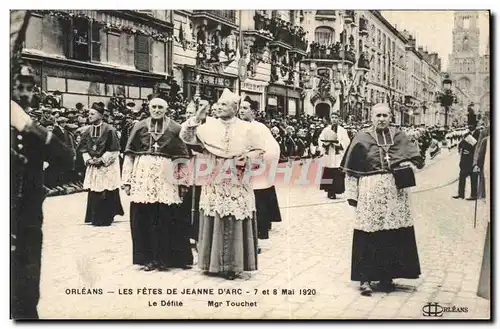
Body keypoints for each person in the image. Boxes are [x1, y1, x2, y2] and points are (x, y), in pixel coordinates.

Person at [340, 103, 424, 296]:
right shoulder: (361, 137)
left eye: (385, 115)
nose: (382, 119)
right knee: (368, 233)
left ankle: (387, 276)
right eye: (378, 115)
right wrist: (352, 195)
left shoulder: (399, 136)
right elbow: (351, 172)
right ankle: (365, 278)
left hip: (395, 193)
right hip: (370, 193)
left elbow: (415, 160)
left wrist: (407, 164)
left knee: (392, 234)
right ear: (372, 116)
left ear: (391, 117)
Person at [180, 89, 264, 280]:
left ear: (235, 108)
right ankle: (213, 263)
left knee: (234, 215)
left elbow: (259, 151)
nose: (218, 107)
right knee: (216, 213)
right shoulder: (208, 125)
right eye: (218, 104)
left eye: (224, 104)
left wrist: (247, 156)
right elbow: (185, 137)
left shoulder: (247, 128)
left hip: (238, 177)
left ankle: (234, 265)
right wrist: (195, 119)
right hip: (214, 175)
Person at [11, 66, 74, 319]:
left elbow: (66, 158)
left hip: (26, 219)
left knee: (25, 289)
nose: (25, 94)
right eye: (19, 87)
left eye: (30, 88)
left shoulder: (30, 128)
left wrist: (28, 126)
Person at [122, 97, 193, 271]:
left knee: (167, 217)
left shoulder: (176, 128)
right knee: (144, 217)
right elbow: (130, 155)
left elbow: (182, 158)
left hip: (166, 177)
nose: (157, 110)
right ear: (149, 108)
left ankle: (168, 258)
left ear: (166, 109)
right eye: (154, 107)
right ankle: (147, 258)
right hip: (143, 176)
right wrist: (127, 180)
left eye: (160, 107)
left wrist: (183, 181)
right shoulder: (139, 126)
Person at [239, 96, 282, 253]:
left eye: (245, 108)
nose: (241, 111)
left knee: (256, 208)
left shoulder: (260, 128)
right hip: (238, 173)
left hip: (255, 173)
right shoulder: (236, 126)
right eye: (240, 108)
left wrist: (258, 160)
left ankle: (256, 241)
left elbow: (273, 149)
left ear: (253, 112)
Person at [77, 103, 124, 226]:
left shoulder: (110, 130)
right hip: (93, 164)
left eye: (92, 114)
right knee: (95, 190)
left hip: (107, 165)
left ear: (101, 115)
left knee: (107, 189)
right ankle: (94, 216)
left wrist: (102, 160)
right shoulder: (87, 130)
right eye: (89, 114)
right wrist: (88, 159)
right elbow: (82, 148)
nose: (89, 116)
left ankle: (106, 217)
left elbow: (115, 149)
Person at [318, 112, 350, 199]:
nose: (334, 119)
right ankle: (329, 191)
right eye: (332, 117)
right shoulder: (326, 129)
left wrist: (339, 144)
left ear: (339, 119)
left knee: (337, 172)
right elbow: (320, 140)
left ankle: (336, 190)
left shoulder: (343, 130)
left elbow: (346, 142)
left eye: (336, 117)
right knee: (328, 172)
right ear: (330, 119)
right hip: (329, 154)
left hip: (337, 155)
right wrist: (325, 144)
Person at [453, 120, 481, 200]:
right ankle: (461, 194)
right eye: (469, 125)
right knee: (462, 176)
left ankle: (474, 194)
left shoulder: (478, 134)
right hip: (465, 160)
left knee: (473, 177)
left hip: (473, 159)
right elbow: (461, 144)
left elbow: (478, 146)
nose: (469, 126)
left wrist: (470, 152)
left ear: (475, 125)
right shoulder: (467, 134)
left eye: (471, 125)